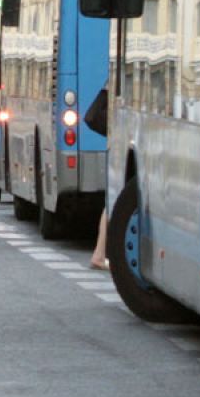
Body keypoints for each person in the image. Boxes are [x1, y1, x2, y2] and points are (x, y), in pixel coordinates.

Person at [85, 87, 110, 270]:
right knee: (113, 202)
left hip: (115, 144)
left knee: (111, 202)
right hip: (121, 144)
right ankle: (99, 254)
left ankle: (99, 253)